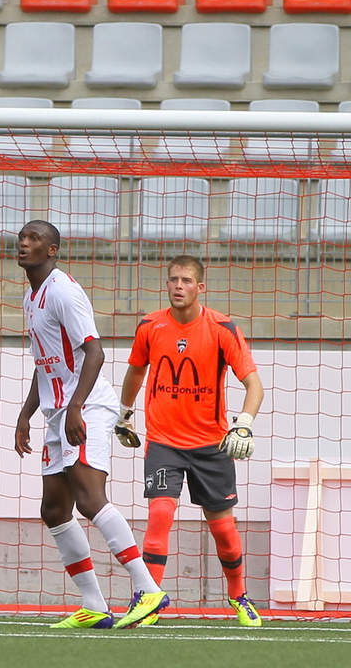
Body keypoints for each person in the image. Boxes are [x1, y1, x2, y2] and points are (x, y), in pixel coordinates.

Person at [12, 220, 169, 629]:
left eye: (34, 239)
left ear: (53, 250)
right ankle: (94, 604)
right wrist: (26, 413)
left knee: (89, 497)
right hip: (56, 411)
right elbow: (47, 363)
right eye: (22, 238)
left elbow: (94, 353)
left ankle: (147, 587)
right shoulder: (31, 297)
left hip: (87, 407)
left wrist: (77, 406)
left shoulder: (64, 291)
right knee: (54, 508)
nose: (24, 244)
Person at [117, 256, 264, 627]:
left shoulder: (222, 328)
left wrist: (243, 425)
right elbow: (136, 370)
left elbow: (253, 385)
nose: (178, 286)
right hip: (164, 442)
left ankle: (238, 595)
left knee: (224, 530)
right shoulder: (150, 326)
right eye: (172, 280)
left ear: (200, 287)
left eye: (186, 280)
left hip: (211, 446)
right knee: (160, 515)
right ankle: (149, 598)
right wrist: (124, 413)